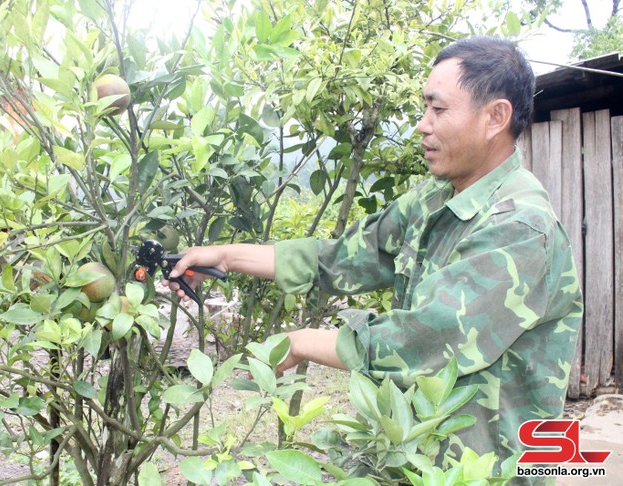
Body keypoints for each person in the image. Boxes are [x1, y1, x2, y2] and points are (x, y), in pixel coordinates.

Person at [165, 36, 583, 479]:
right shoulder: (436, 199)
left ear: (495, 117)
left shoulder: (519, 226)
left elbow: (423, 339)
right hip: (414, 452)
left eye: (438, 111)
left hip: (485, 469)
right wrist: (225, 256)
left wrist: (303, 341)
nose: (423, 125)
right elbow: (339, 257)